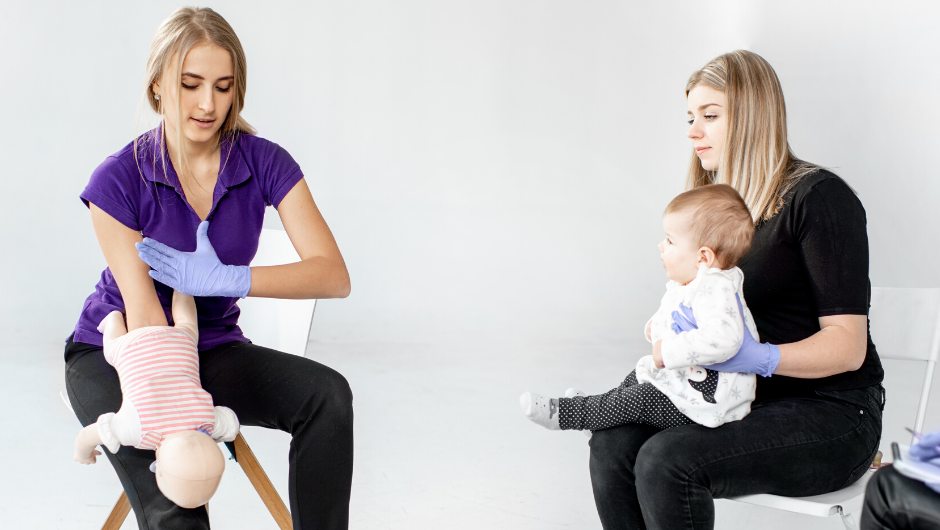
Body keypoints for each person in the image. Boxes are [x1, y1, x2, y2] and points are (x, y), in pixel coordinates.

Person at [64, 7, 353, 529]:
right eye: (189, 84)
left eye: (223, 87)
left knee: (328, 397)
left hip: (213, 347)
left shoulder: (265, 162)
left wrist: (233, 280)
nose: (207, 104)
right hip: (120, 351)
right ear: (157, 87)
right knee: (177, 500)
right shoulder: (117, 180)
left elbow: (333, 275)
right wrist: (178, 422)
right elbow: (145, 314)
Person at [588, 50, 885, 530]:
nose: (692, 131)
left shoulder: (818, 199)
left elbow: (847, 348)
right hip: (735, 400)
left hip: (831, 414)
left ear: (752, 115)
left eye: (709, 115)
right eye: (690, 117)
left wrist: (759, 357)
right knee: (612, 441)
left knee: (667, 460)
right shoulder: (714, 213)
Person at [521, 184, 759, 433]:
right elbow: (673, 316)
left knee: (639, 399)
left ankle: (570, 414)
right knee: (636, 379)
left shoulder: (716, 288)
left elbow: (725, 339)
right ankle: (595, 411)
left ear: (703, 257)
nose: (661, 245)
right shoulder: (692, 283)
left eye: (670, 240)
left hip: (710, 404)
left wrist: (667, 350)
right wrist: (657, 326)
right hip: (685, 382)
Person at [73, 293, 239, 510]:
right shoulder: (139, 430)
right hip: (131, 345)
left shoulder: (207, 419)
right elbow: (89, 434)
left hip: (178, 342)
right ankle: (113, 319)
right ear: (158, 468)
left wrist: (223, 432)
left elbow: (230, 423)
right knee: (112, 350)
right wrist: (82, 453)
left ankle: (182, 291)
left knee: (187, 324)